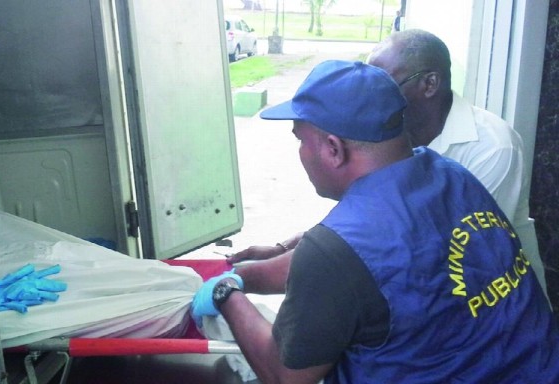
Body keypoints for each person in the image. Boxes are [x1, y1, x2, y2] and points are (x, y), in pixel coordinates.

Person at [191, 60, 559, 383]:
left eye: (301, 140)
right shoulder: (451, 176)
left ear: (333, 149)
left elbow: (286, 374)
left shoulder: (339, 249)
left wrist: (226, 295)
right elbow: (349, 270)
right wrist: (246, 275)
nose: (300, 153)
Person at [228, 29, 550, 302]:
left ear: (429, 85)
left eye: (384, 80)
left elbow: (414, 249)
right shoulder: (391, 136)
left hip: (489, 315)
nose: (371, 90)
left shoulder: (492, 147)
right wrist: (286, 248)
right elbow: (368, 218)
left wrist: (240, 284)